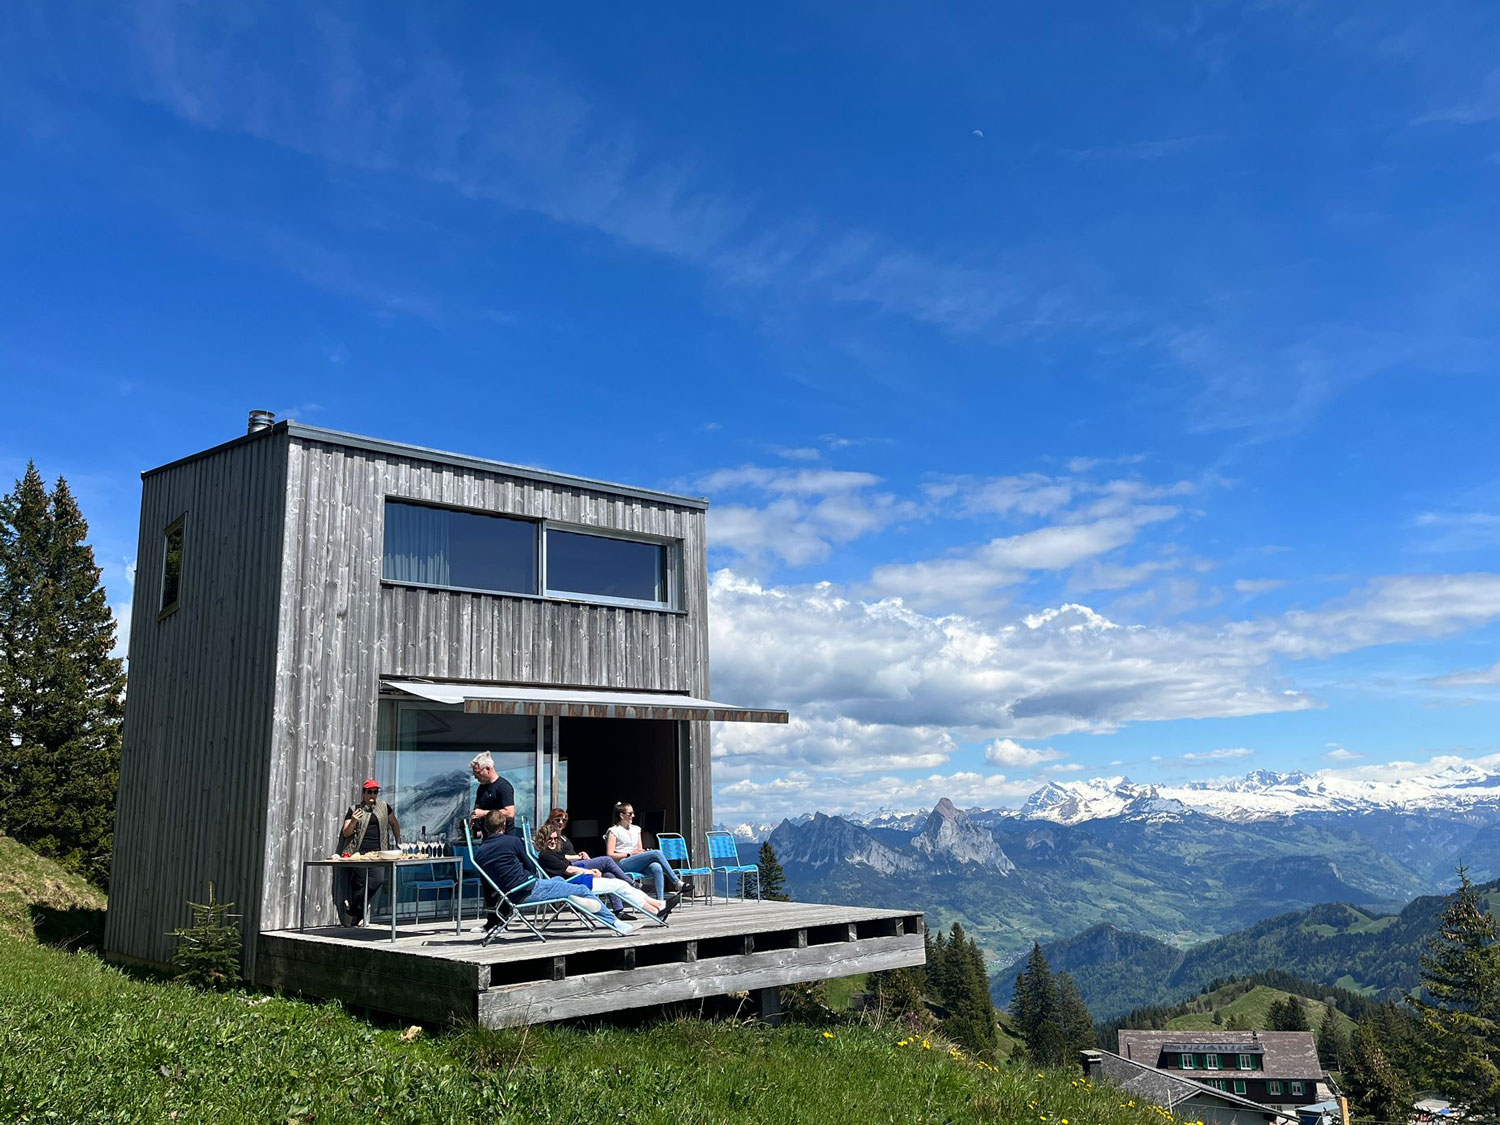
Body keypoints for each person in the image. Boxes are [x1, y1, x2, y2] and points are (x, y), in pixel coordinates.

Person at [473, 810, 633, 935]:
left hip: (509, 895)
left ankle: (571, 897)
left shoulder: (479, 853)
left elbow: (488, 884)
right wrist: (529, 877)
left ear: (487, 828)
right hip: (528, 889)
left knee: (558, 879)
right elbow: (530, 865)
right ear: (502, 826)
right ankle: (616, 923)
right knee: (582, 889)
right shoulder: (512, 841)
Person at [533, 824, 680, 922]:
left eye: (555, 838)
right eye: (549, 839)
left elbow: (567, 863)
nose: (553, 841)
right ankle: (656, 909)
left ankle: (658, 906)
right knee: (620, 885)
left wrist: (582, 862)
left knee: (614, 879)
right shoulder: (546, 855)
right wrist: (590, 872)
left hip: (579, 880)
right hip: (575, 884)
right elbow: (570, 870)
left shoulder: (554, 853)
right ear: (543, 840)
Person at [334, 779, 401, 927]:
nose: (372, 795)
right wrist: (353, 822)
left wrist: (398, 840)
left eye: (375, 792)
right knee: (360, 885)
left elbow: (394, 823)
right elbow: (346, 833)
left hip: (379, 852)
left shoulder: (384, 807)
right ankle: (357, 918)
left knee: (377, 881)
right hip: (358, 853)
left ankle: (352, 912)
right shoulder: (355, 809)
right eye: (369, 791)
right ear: (364, 793)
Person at [604, 801, 685, 902]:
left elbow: (639, 849)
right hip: (622, 862)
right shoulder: (614, 831)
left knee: (656, 867)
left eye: (633, 813)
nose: (633, 815)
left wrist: (644, 852)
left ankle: (660, 901)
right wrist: (629, 854)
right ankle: (676, 882)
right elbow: (610, 855)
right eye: (630, 814)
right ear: (621, 815)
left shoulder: (636, 829)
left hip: (636, 861)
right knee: (656, 853)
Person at [469, 752, 515, 837]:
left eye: (478, 773)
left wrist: (484, 813)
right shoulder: (481, 787)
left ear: (488, 769)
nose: (476, 777)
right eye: (474, 774)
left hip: (504, 838)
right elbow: (478, 808)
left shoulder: (504, 787)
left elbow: (510, 813)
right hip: (487, 837)